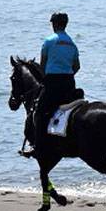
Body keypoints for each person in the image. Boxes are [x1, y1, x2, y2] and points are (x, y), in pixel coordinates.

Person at [28, 12, 80, 157]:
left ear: (55, 24)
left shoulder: (49, 41)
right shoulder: (72, 43)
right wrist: (67, 76)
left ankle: (38, 147)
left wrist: (46, 78)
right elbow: (77, 66)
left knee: (39, 113)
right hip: (69, 83)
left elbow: (43, 64)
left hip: (53, 83)